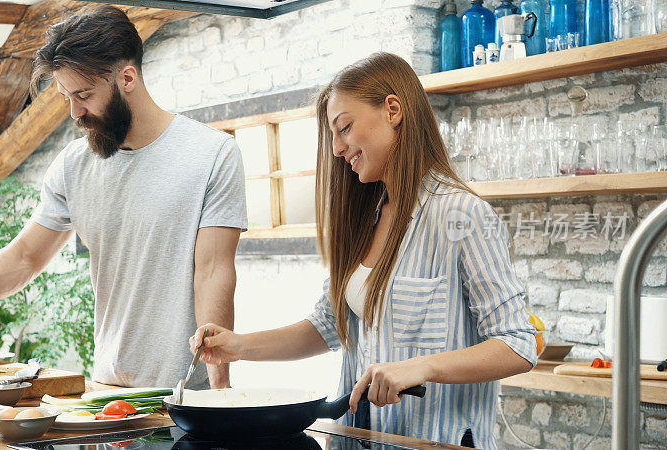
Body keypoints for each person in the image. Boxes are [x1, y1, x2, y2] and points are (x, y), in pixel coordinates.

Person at [190, 52, 536, 449]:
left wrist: (422, 367)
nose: (337, 149)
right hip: (358, 440)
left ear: (392, 110)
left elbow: (517, 343)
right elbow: (325, 327)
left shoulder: (462, 214)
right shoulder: (366, 218)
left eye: (345, 128)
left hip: (433, 441)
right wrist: (237, 346)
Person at [0, 5, 247, 390]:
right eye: (66, 97)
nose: (76, 113)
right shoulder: (73, 165)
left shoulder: (212, 154)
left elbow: (213, 273)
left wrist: (219, 388)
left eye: (84, 95)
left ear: (127, 77)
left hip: (185, 396)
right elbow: (26, 257)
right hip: (108, 395)